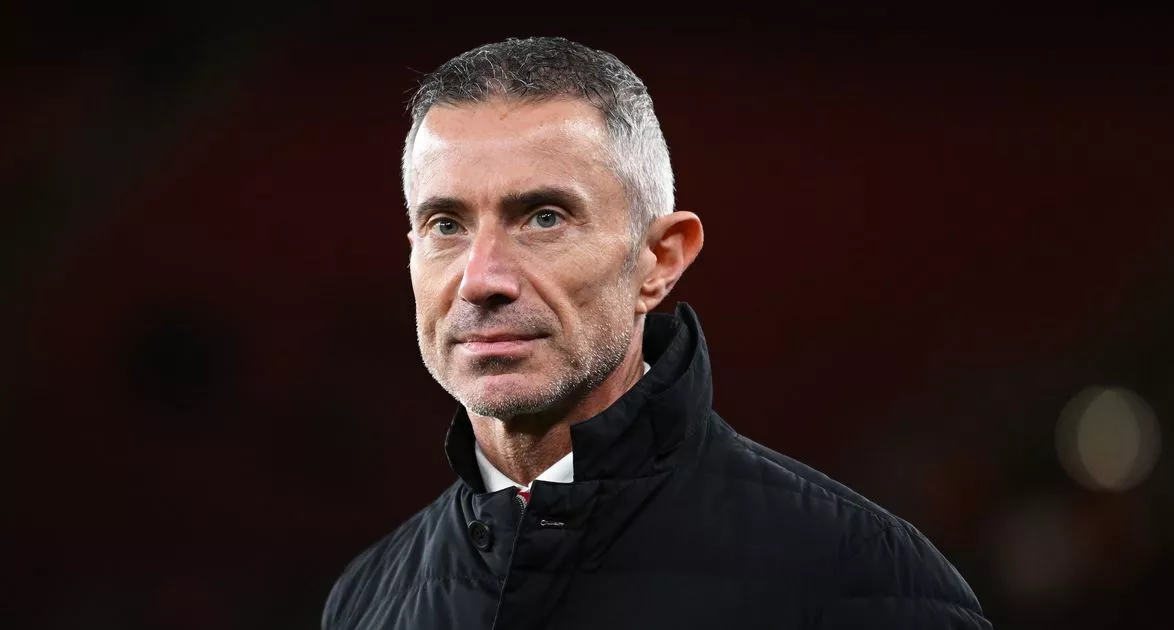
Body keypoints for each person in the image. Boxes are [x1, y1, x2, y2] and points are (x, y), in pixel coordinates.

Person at [322, 36, 991, 629]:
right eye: (446, 225)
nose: (481, 279)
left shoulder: (861, 579)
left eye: (545, 217)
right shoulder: (365, 599)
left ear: (659, 260)